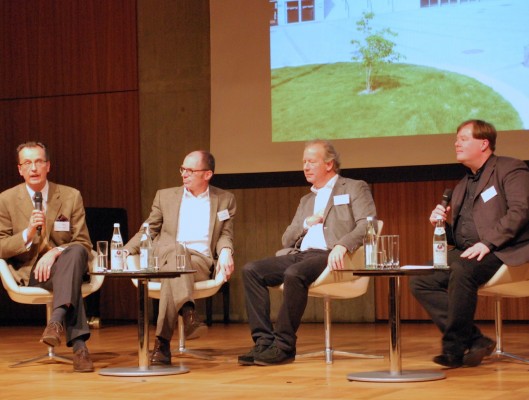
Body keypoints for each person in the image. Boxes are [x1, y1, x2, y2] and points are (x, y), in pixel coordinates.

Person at [238, 139, 376, 366]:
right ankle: (263, 342)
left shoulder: (353, 187)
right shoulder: (306, 199)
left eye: (311, 161)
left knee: (294, 273)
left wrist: (342, 244)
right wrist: (305, 224)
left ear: (329, 164)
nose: (305, 166)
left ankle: (284, 346)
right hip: (301, 254)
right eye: (304, 162)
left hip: (332, 254)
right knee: (251, 270)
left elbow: (366, 224)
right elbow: (286, 238)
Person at [410, 119, 529, 368]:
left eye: (463, 138)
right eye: (457, 138)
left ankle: (454, 348)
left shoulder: (510, 168)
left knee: (462, 269)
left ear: (484, 143)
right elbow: (462, 235)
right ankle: (476, 339)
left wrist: (488, 243)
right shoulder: (462, 185)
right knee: (421, 279)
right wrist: (441, 226)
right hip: (471, 251)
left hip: (506, 248)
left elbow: (521, 211)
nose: (456, 143)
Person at [124, 150, 236, 365]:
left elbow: (225, 234)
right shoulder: (164, 196)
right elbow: (148, 230)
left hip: (198, 262)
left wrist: (226, 251)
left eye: (191, 170)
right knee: (177, 250)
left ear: (207, 174)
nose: (184, 174)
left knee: (174, 274)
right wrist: (125, 250)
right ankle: (188, 310)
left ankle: (162, 342)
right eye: (183, 169)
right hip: (164, 257)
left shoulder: (224, 200)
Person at [0, 141, 95, 372]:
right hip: (32, 271)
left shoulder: (71, 196)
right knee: (69, 275)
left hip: (66, 262)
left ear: (48, 166)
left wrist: (54, 252)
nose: (34, 168)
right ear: (20, 169)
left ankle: (55, 322)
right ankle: (80, 347)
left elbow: (83, 242)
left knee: (73, 254)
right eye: (28, 163)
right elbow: (1, 246)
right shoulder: (6, 199)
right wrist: (28, 233)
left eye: (39, 162)